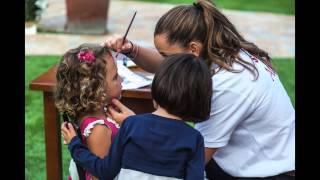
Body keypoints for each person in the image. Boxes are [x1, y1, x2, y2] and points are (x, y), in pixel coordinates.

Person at [102, 0, 295, 179]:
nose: (166, 65)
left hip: (269, 173)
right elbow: (171, 65)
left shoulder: (228, 87)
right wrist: (132, 50)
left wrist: (135, 124)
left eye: (166, 55)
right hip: (254, 161)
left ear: (194, 49)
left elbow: (186, 160)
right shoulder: (224, 55)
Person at [61, 53, 213, 180]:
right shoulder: (194, 139)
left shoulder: (131, 125)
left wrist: (75, 144)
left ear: (157, 86)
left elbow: (104, 172)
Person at [54, 43, 123, 180]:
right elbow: (99, 175)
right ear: (97, 91)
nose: (121, 79)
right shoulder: (99, 130)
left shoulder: (96, 113)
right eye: (115, 77)